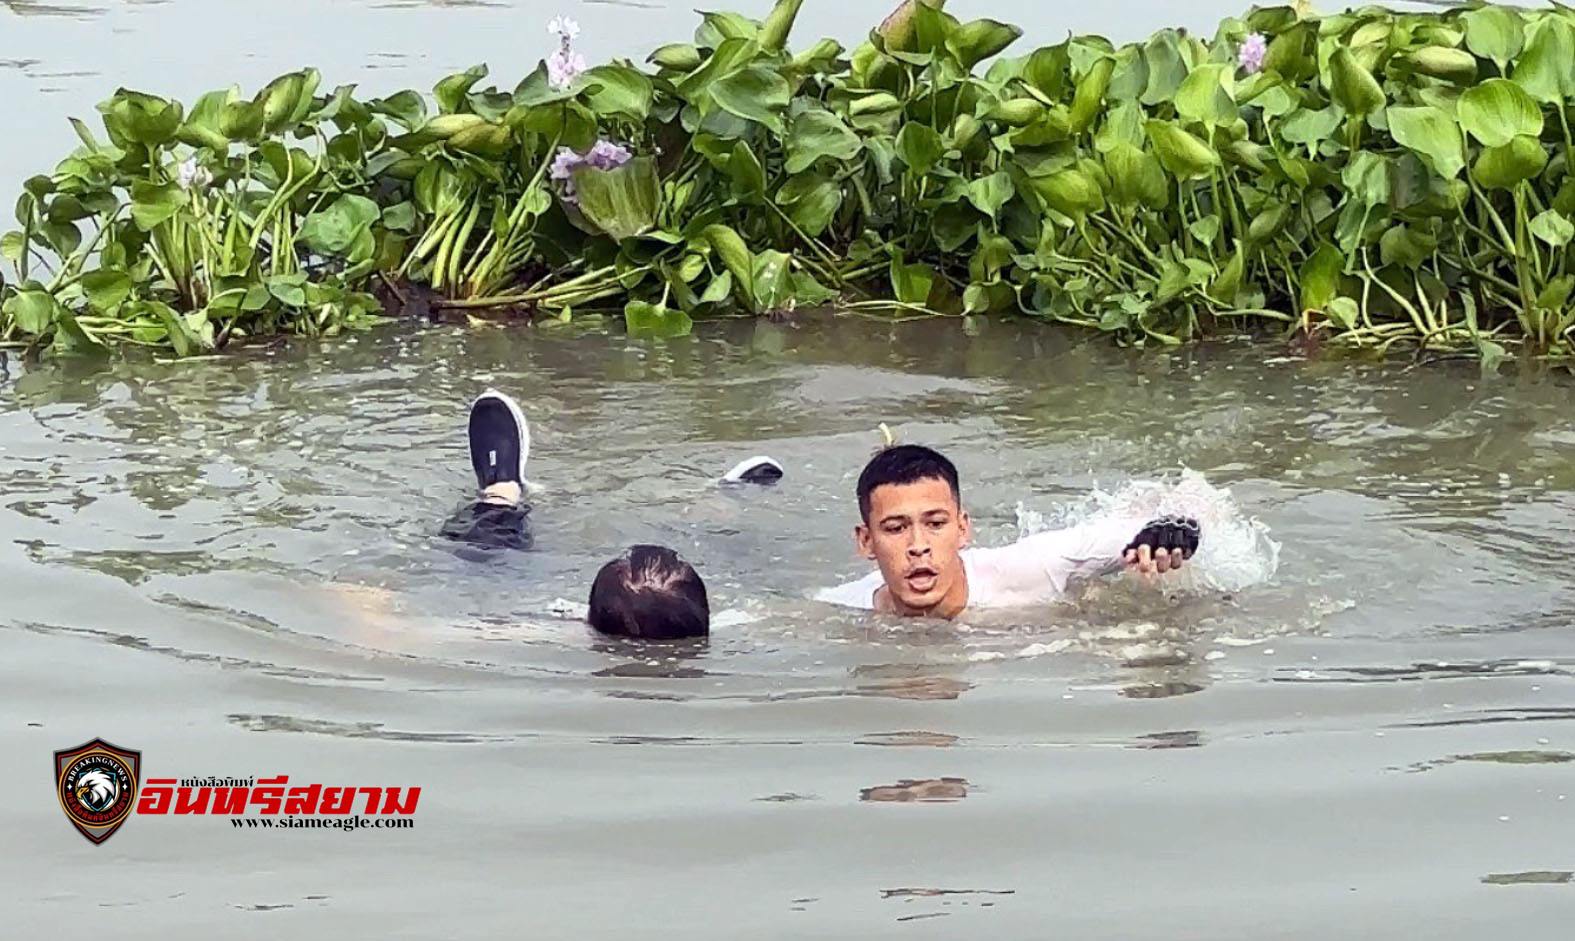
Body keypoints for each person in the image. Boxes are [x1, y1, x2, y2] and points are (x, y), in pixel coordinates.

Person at [816, 444, 1201, 618]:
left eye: (936, 524)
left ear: (963, 528)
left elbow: (1171, 519)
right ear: (866, 541)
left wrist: (1171, 533)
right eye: (896, 528)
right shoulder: (842, 608)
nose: (919, 546)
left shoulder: (1036, 567)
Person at [442, 390, 710, 639]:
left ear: (587, 617)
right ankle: (724, 497)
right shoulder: (735, 622)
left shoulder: (549, 631)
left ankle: (502, 490)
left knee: (484, 554)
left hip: (521, 595)